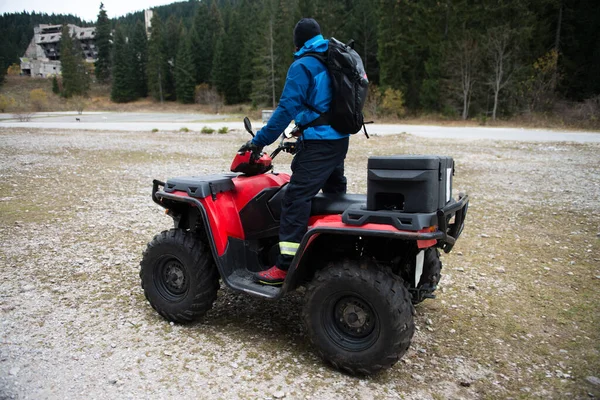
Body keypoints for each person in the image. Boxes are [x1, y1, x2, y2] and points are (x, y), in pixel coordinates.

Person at [238, 18, 350, 286]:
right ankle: (335, 247)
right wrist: (299, 132)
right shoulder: (332, 58)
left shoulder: (303, 65)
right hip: (338, 139)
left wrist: (259, 141)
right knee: (335, 191)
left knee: (295, 198)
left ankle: (285, 266)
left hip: (320, 143)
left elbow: (286, 109)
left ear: (298, 41)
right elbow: (324, 105)